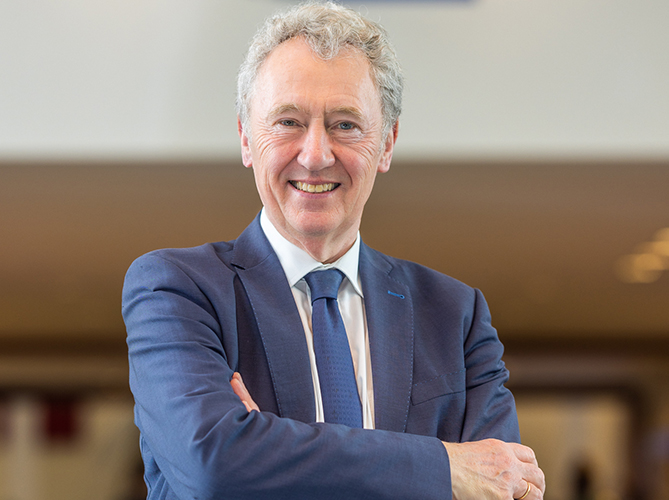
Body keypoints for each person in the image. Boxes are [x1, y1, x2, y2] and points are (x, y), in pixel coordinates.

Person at [122, 2, 545, 499]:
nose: (316, 154)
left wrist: (267, 451)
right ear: (246, 139)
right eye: (288, 121)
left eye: (345, 124)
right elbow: (215, 464)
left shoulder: (455, 316)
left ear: (387, 143)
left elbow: (505, 487)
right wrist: (445, 465)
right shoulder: (176, 291)